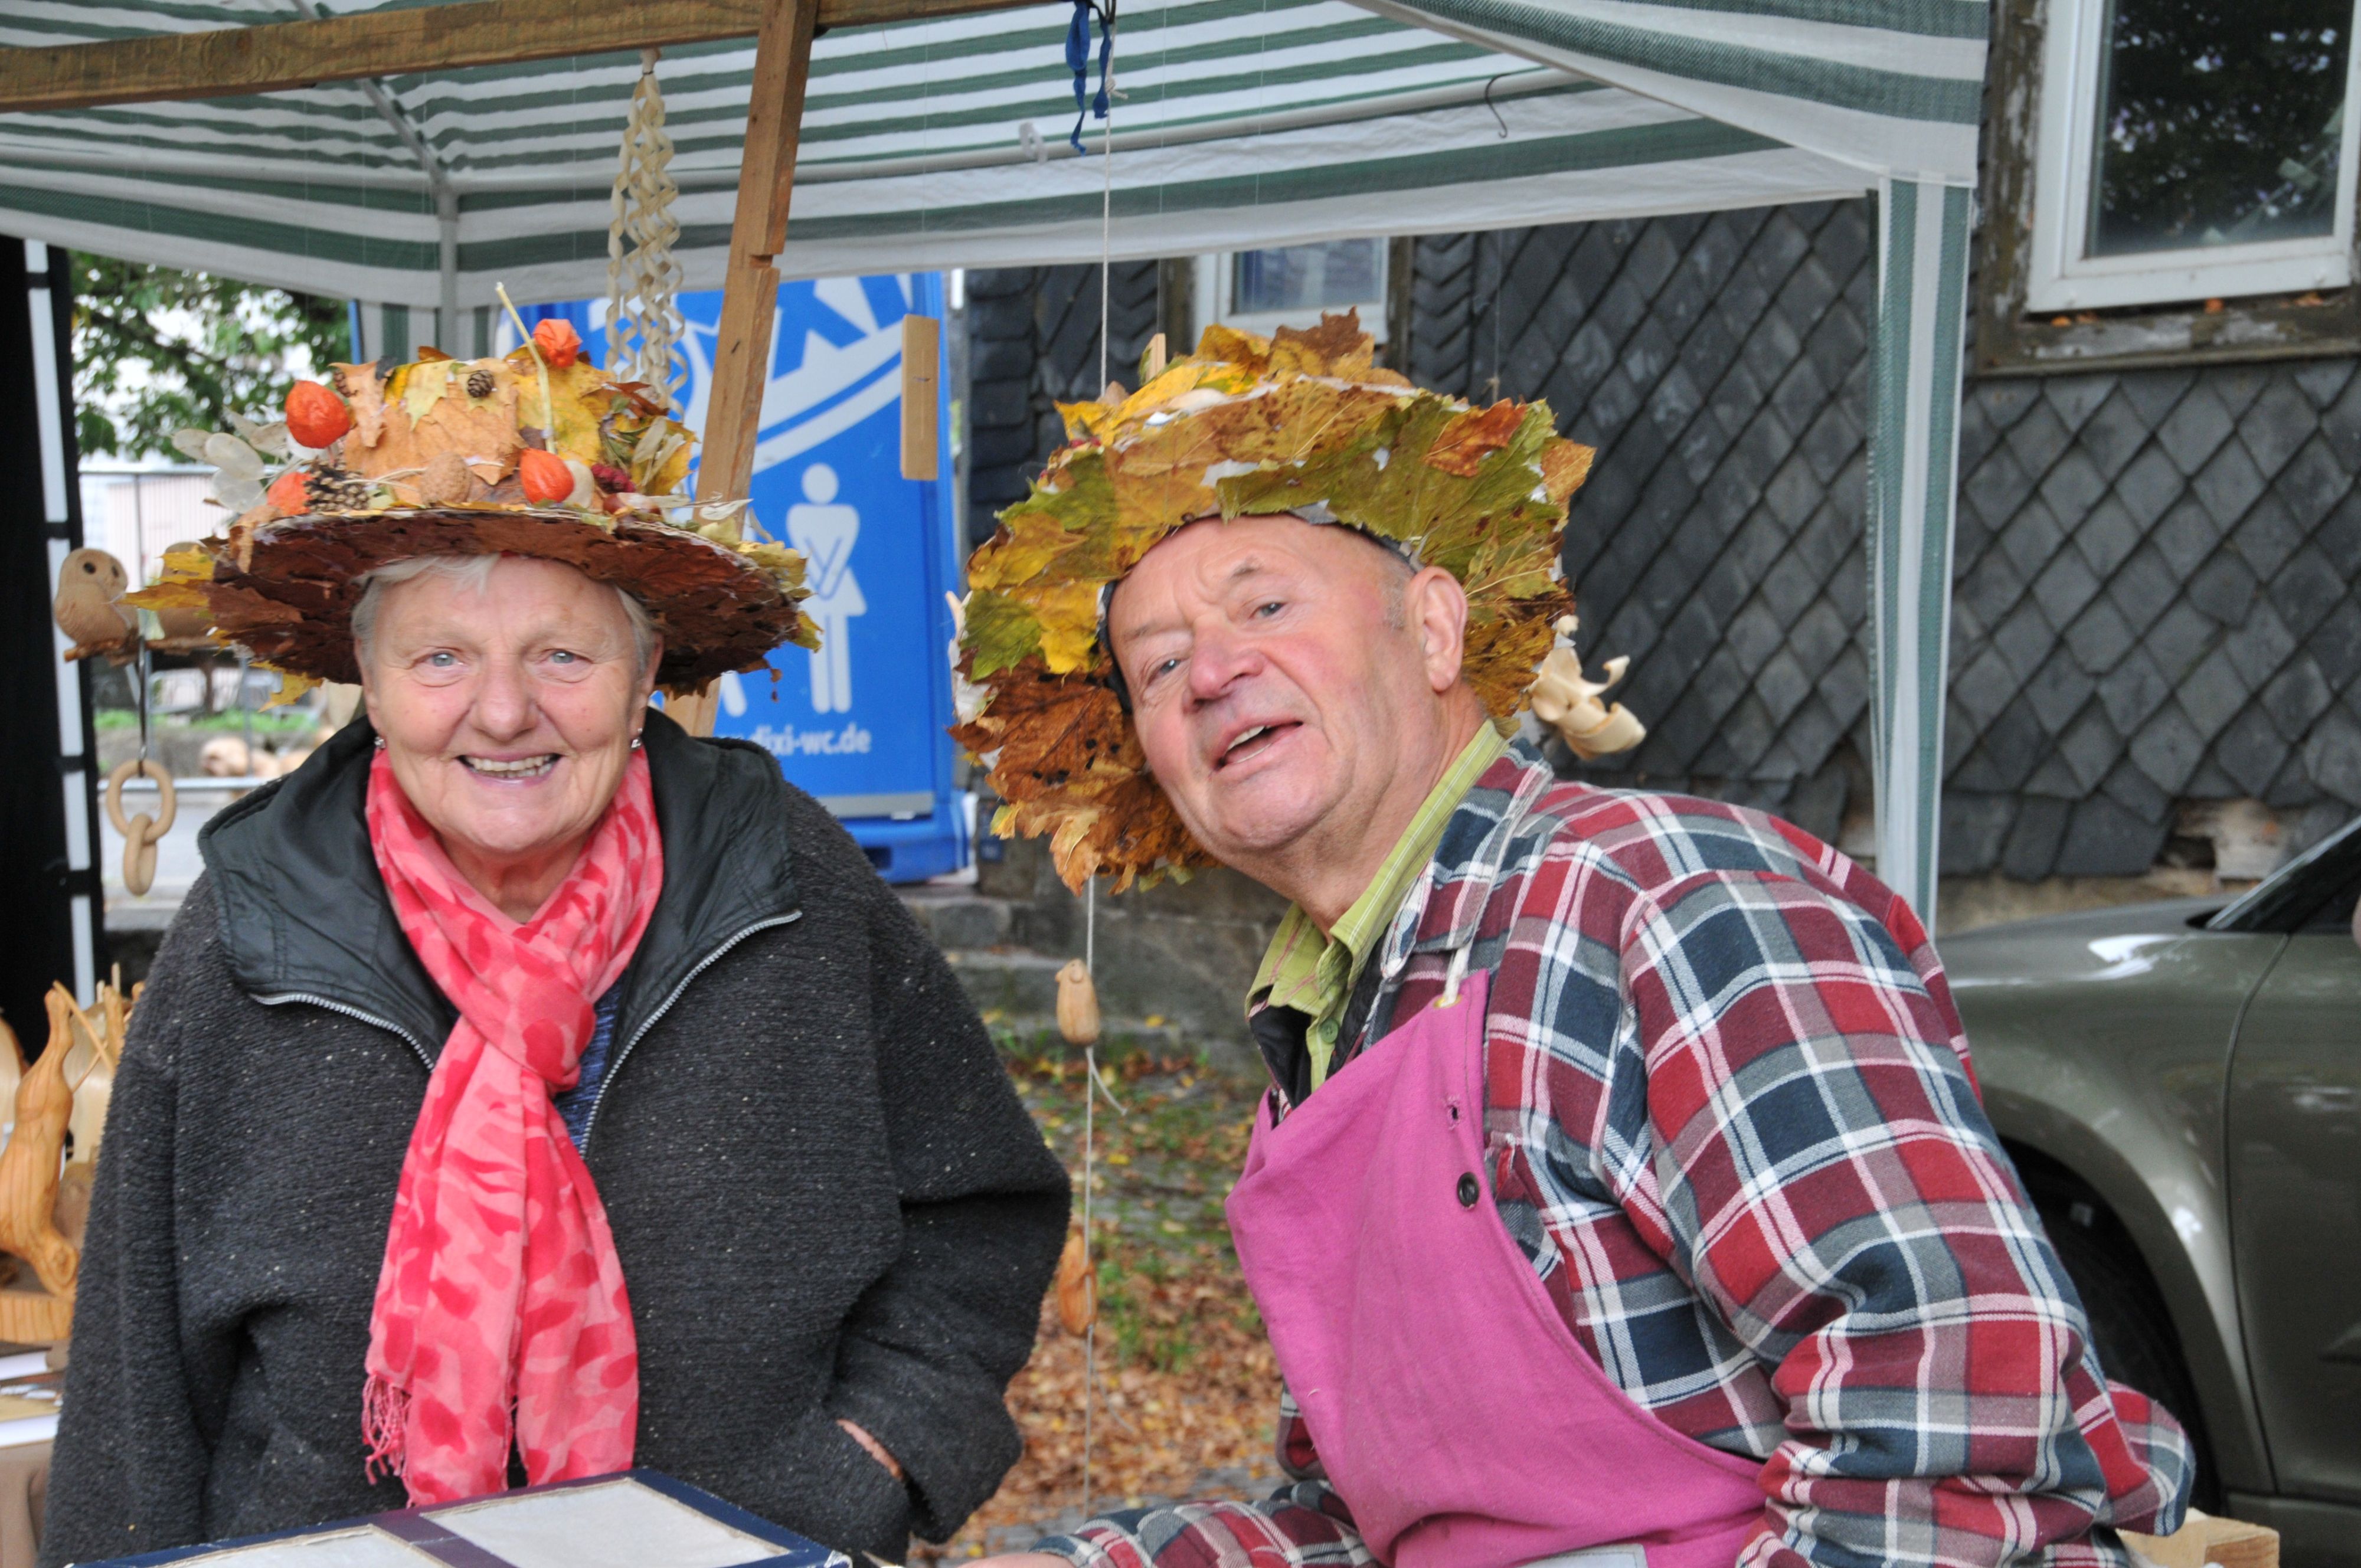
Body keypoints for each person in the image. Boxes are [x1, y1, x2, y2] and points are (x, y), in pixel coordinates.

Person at [952, 316, 2192, 1568]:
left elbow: (1954, 1424)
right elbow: (1381, 1527)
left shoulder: (1664, 900)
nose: (1211, 672)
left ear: (1432, 630)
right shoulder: (1336, 1022)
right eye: (1158, 668)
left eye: (1263, 603)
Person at [42, 330, 1068, 1567]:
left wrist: (864, 1468)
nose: (503, 711)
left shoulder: (785, 878)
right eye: (440, 659)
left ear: (644, 680)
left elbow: (981, 1211)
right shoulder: (250, 923)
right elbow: (134, 1372)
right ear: (367, 680)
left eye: (563, 657)